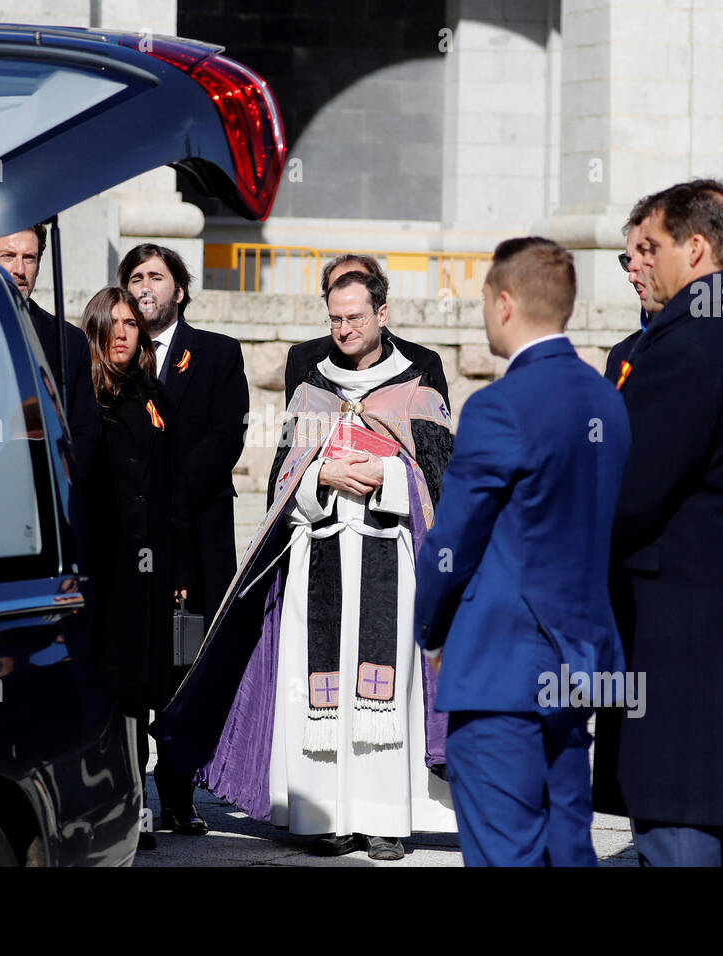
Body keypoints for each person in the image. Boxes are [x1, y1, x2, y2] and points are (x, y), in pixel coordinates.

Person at [152, 269, 456, 862]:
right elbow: (281, 484)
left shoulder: (417, 391)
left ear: (382, 314)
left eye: (355, 318)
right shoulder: (310, 391)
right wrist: (321, 475)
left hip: (387, 558)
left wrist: (388, 475)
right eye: (335, 319)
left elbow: (443, 483)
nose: (343, 329)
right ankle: (322, 819)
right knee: (319, 691)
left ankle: (383, 819)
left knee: (382, 694)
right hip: (317, 557)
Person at [592, 179, 723, 866]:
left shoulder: (685, 345)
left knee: (677, 833)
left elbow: (624, 495)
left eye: (652, 247)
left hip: (675, 642)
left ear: (697, 248)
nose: (638, 263)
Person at [414, 238, 630, 866]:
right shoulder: (607, 401)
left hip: (501, 669)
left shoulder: (499, 407)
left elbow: (451, 543)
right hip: (577, 662)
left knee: (504, 852)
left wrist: (429, 627)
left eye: (484, 299)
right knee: (566, 845)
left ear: (504, 303)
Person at [117, 242, 248, 835]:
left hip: (190, 549)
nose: (145, 286)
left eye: (156, 277)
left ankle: (176, 790)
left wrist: (165, 494)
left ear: (180, 289)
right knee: (131, 662)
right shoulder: (112, 355)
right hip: (130, 550)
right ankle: (128, 793)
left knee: (180, 659)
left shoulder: (217, 355)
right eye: (135, 277)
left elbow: (225, 442)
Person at [79, 286, 189, 853]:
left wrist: (178, 568)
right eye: (111, 324)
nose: (122, 333)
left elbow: (172, 488)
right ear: (95, 331)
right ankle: (101, 811)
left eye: (130, 323)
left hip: (151, 572)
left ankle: (139, 807)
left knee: (145, 694)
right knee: (105, 694)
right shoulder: (83, 398)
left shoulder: (155, 396)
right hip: (102, 570)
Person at [0, 226, 101, 478]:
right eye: (8, 256)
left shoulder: (69, 341)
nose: (19, 270)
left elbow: (86, 436)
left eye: (29, 258)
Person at [283, 254, 449, 406]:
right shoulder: (303, 358)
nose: (347, 292)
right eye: (339, 285)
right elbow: (295, 430)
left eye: (357, 282)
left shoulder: (422, 361)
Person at [604, 220, 659, 385]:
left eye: (645, 253)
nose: (632, 276)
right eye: (629, 260)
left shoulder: (709, 345)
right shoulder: (621, 354)